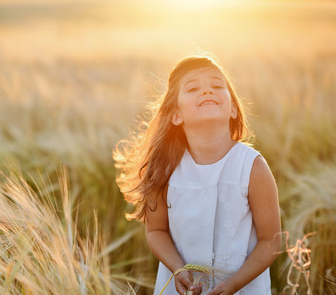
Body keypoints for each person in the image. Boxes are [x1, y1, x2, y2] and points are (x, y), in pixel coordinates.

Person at [113, 55, 281, 294]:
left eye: (217, 85)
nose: (207, 91)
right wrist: (178, 269)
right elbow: (155, 231)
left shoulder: (252, 167)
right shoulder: (164, 169)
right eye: (193, 88)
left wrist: (234, 284)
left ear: (233, 108)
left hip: (242, 288)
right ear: (176, 115)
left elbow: (271, 240)